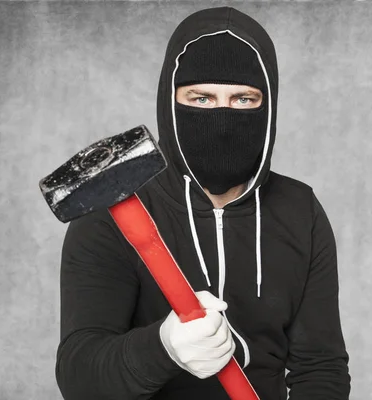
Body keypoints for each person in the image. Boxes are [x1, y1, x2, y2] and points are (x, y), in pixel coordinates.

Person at [55, 6, 351, 400]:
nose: (223, 118)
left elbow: (321, 366)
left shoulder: (300, 210)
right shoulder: (112, 210)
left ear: (269, 107)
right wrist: (163, 348)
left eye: (244, 100)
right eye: (201, 97)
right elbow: (80, 376)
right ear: (170, 101)